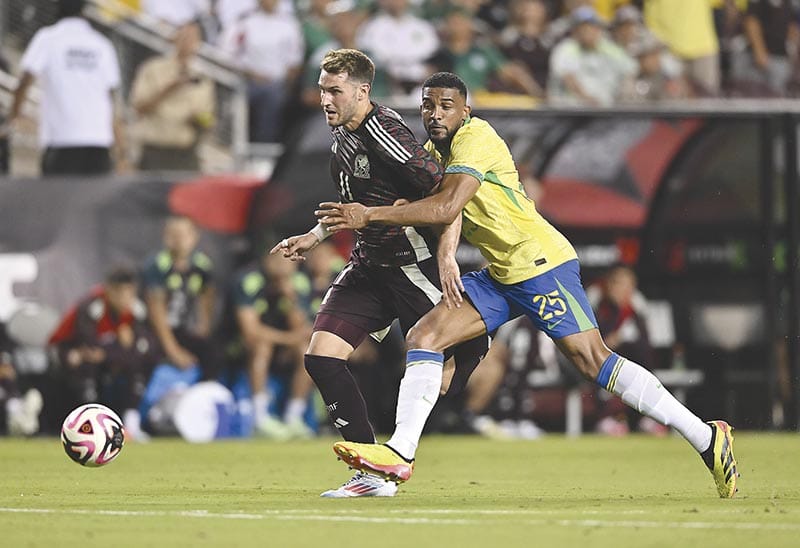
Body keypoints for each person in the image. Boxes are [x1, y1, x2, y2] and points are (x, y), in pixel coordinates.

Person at [317, 71, 739, 499]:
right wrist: (338, 232)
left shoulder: (476, 138)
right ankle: (399, 455)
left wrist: (370, 215)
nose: (435, 114)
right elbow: (433, 210)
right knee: (425, 336)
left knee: (592, 361)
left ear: (466, 111)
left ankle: (706, 437)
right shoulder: (431, 153)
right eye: (428, 106)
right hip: (501, 273)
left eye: (446, 106)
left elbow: (445, 207)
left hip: (539, 263)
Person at [271, 49, 488, 498]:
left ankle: (461, 374)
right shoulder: (341, 135)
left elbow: (446, 196)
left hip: (411, 267)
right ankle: (370, 471)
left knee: (455, 364)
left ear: (362, 91)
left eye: (335, 91)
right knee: (321, 358)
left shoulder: (385, 132)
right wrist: (315, 235)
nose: (325, 100)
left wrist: (447, 255)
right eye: (322, 90)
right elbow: (353, 205)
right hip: (369, 267)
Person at [5, 0, 128, 175]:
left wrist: (14, 117)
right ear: (84, 11)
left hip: (62, 139)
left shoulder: (48, 38)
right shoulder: (101, 44)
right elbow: (112, 99)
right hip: (98, 142)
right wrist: (121, 148)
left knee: (59, 192)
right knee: (95, 193)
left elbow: (25, 82)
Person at [49, 267, 159, 441]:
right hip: (67, 348)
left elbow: (145, 346)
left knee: (140, 361)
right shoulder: (92, 306)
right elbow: (89, 347)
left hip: (109, 354)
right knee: (84, 363)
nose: (125, 298)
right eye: (120, 292)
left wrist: (113, 351)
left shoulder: (137, 310)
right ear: (109, 290)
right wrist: (118, 346)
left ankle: (131, 421)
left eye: (129, 292)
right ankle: (89, 422)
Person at [223, 249, 315, 439]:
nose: (283, 266)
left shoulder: (299, 282)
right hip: (239, 345)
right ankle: (260, 418)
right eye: (279, 260)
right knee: (262, 346)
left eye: (289, 261)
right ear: (267, 259)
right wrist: (289, 339)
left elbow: (302, 328)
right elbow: (250, 331)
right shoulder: (250, 280)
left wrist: (291, 299)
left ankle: (294, 417)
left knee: (307, 351)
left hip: (282, 344)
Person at [130, 22, 216, 171]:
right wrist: (168, 89)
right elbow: (139, 107)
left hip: (186, 152)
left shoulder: (203, 77)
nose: (188, 42)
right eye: (184, 36)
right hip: (155, 150)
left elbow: (208, 116)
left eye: (192, 38)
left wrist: (200, 120)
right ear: (174, 38)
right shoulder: (153, 68)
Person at [141, 216, 218, 378]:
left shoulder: (201, 265)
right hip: (152, 331)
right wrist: (173, 351)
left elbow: (208, 293)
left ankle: (207, 389)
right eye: (173, 234)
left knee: (210, 351)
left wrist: (204, 324)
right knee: (148, 353)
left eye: (183, 234)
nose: (179, 240)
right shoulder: (157, 266)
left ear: (194, 236)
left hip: (180, 328)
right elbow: (156, 313)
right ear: (165, 237)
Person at [220, 0, 304, 142]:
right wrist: (250, 74)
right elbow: (228, 55)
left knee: (273, 97)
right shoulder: (244, 22)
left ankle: (265, 146)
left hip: (276, 83)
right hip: (245, 81)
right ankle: (235, 143)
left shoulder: (289, 24)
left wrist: (286, 84)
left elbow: (294, 61)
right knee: (236, 102)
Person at [547, 6, 637, 106]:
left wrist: (625, 97)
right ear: (575, 30)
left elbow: (629, 71)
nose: (588, 31)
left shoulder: (608, 48)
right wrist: (588, 99)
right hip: (571, 110)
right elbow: (568, 78)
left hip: (607, 109)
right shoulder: (566, 49)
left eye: (592, 27)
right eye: (584, 28)